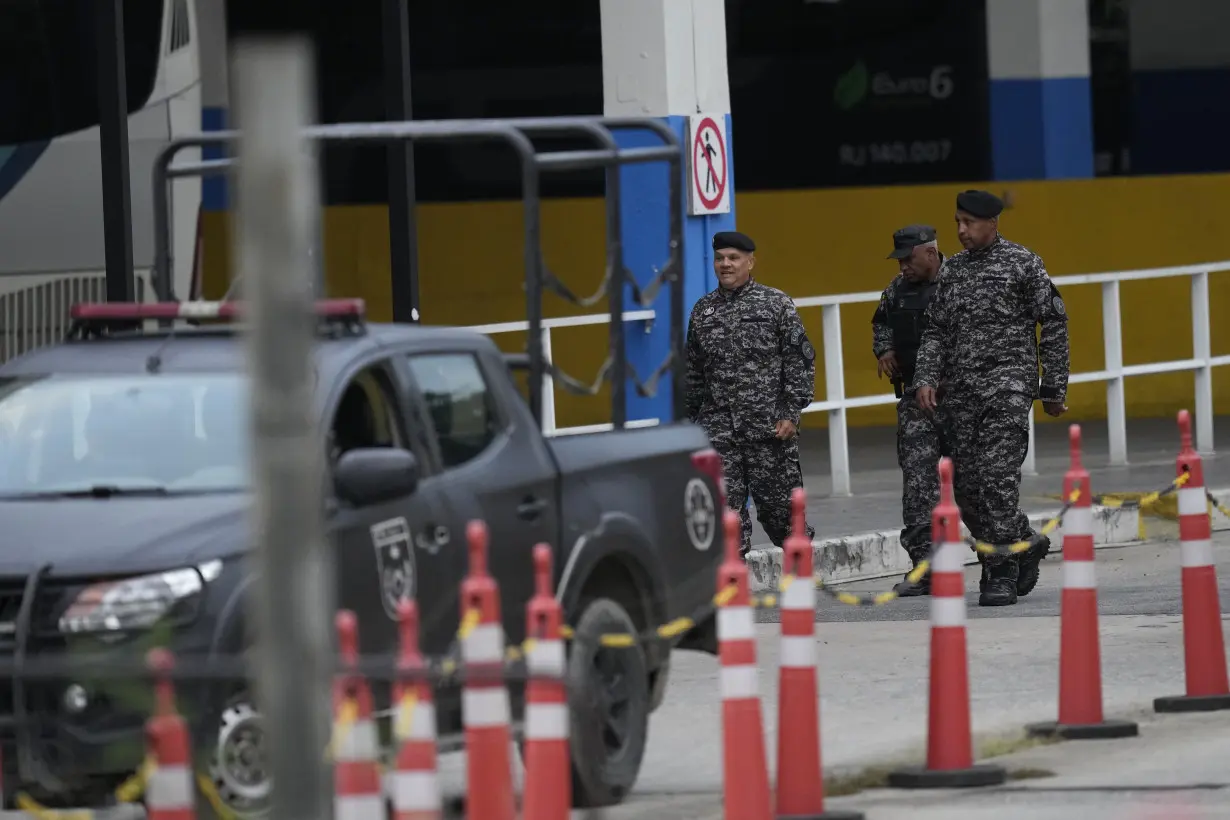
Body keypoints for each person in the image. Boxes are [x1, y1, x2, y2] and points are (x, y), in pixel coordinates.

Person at [913, 190, 1070, 607]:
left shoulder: (1023, 263)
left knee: (997, 477)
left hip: (1007, 388)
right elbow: (935, 331)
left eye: (969, 223)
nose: (962, 231)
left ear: (992, 223)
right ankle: (1024, 541)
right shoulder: (954, 271)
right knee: (966, 488)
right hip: (961, 394)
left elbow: (1053, 322)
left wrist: (1053, 386)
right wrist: (925, 376)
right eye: (957, 223)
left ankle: (998, 571)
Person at [685, 230, 817, 558]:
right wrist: (690, 424)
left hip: (769, 431)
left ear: (750, 261)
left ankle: (798, 582)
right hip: (719, 433)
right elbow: (693, 373)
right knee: (725, 519)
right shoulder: (703, 312)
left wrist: (790, 411)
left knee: (782, 517)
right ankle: (732, 590)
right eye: (720, 259)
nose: (725, 265)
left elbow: (800, 362)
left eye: (733, 258)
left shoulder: (776, 305)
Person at [872, 225, 946, 596]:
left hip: (962, 401)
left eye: (908, 259)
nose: (902, 267)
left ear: (930, 254)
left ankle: (1006, 557)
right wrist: (884, 349)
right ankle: (924, 568)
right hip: (916, 403)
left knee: (980, 489)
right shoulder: (896, 290)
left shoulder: (959, 283)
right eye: (899, 260)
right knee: (918, 486)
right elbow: (881, 322)